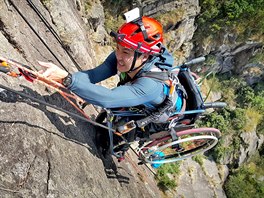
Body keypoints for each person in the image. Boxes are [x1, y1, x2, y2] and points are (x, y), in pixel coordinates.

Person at [38, 16, 183, 160]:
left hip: (153, 114)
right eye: (117, 48)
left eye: (125, 52)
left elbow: (109, 98)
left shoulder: (150, 86)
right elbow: (95, 74)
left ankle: (122, 146)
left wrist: (67, 79)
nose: (118, 56)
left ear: (145, 56)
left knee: (116, 137)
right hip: (135, 93)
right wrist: (68, 80)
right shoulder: (131, 55)